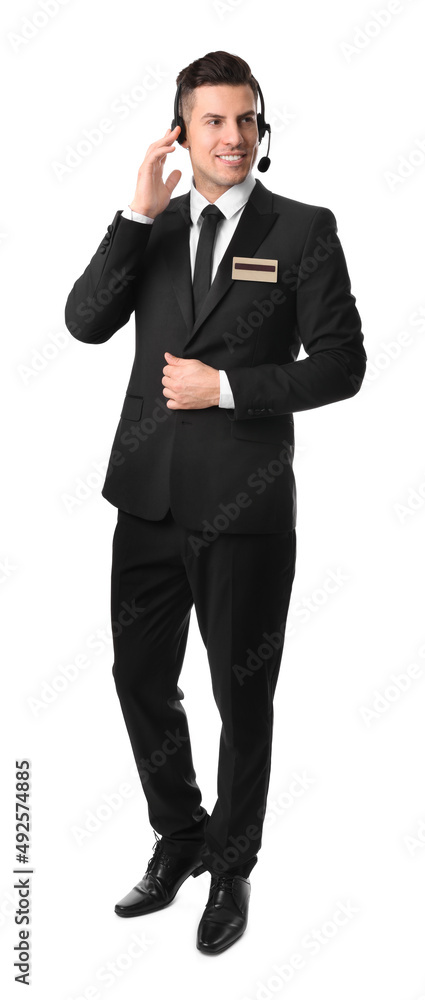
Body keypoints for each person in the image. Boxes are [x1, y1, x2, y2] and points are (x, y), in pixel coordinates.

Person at [64, 50, 367, 955]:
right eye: (212, 122)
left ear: (260, 129)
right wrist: (132, 212)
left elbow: (342, 365)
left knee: (243, 694)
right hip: (147, 500)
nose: (232, 137)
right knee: (139, 678)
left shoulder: (303, 228)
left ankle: (232, 865)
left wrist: (227, 388)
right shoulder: (151, 229)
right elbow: (83, 321)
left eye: (246, 120)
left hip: (245, 505)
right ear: (180, 133)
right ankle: (180, 834)